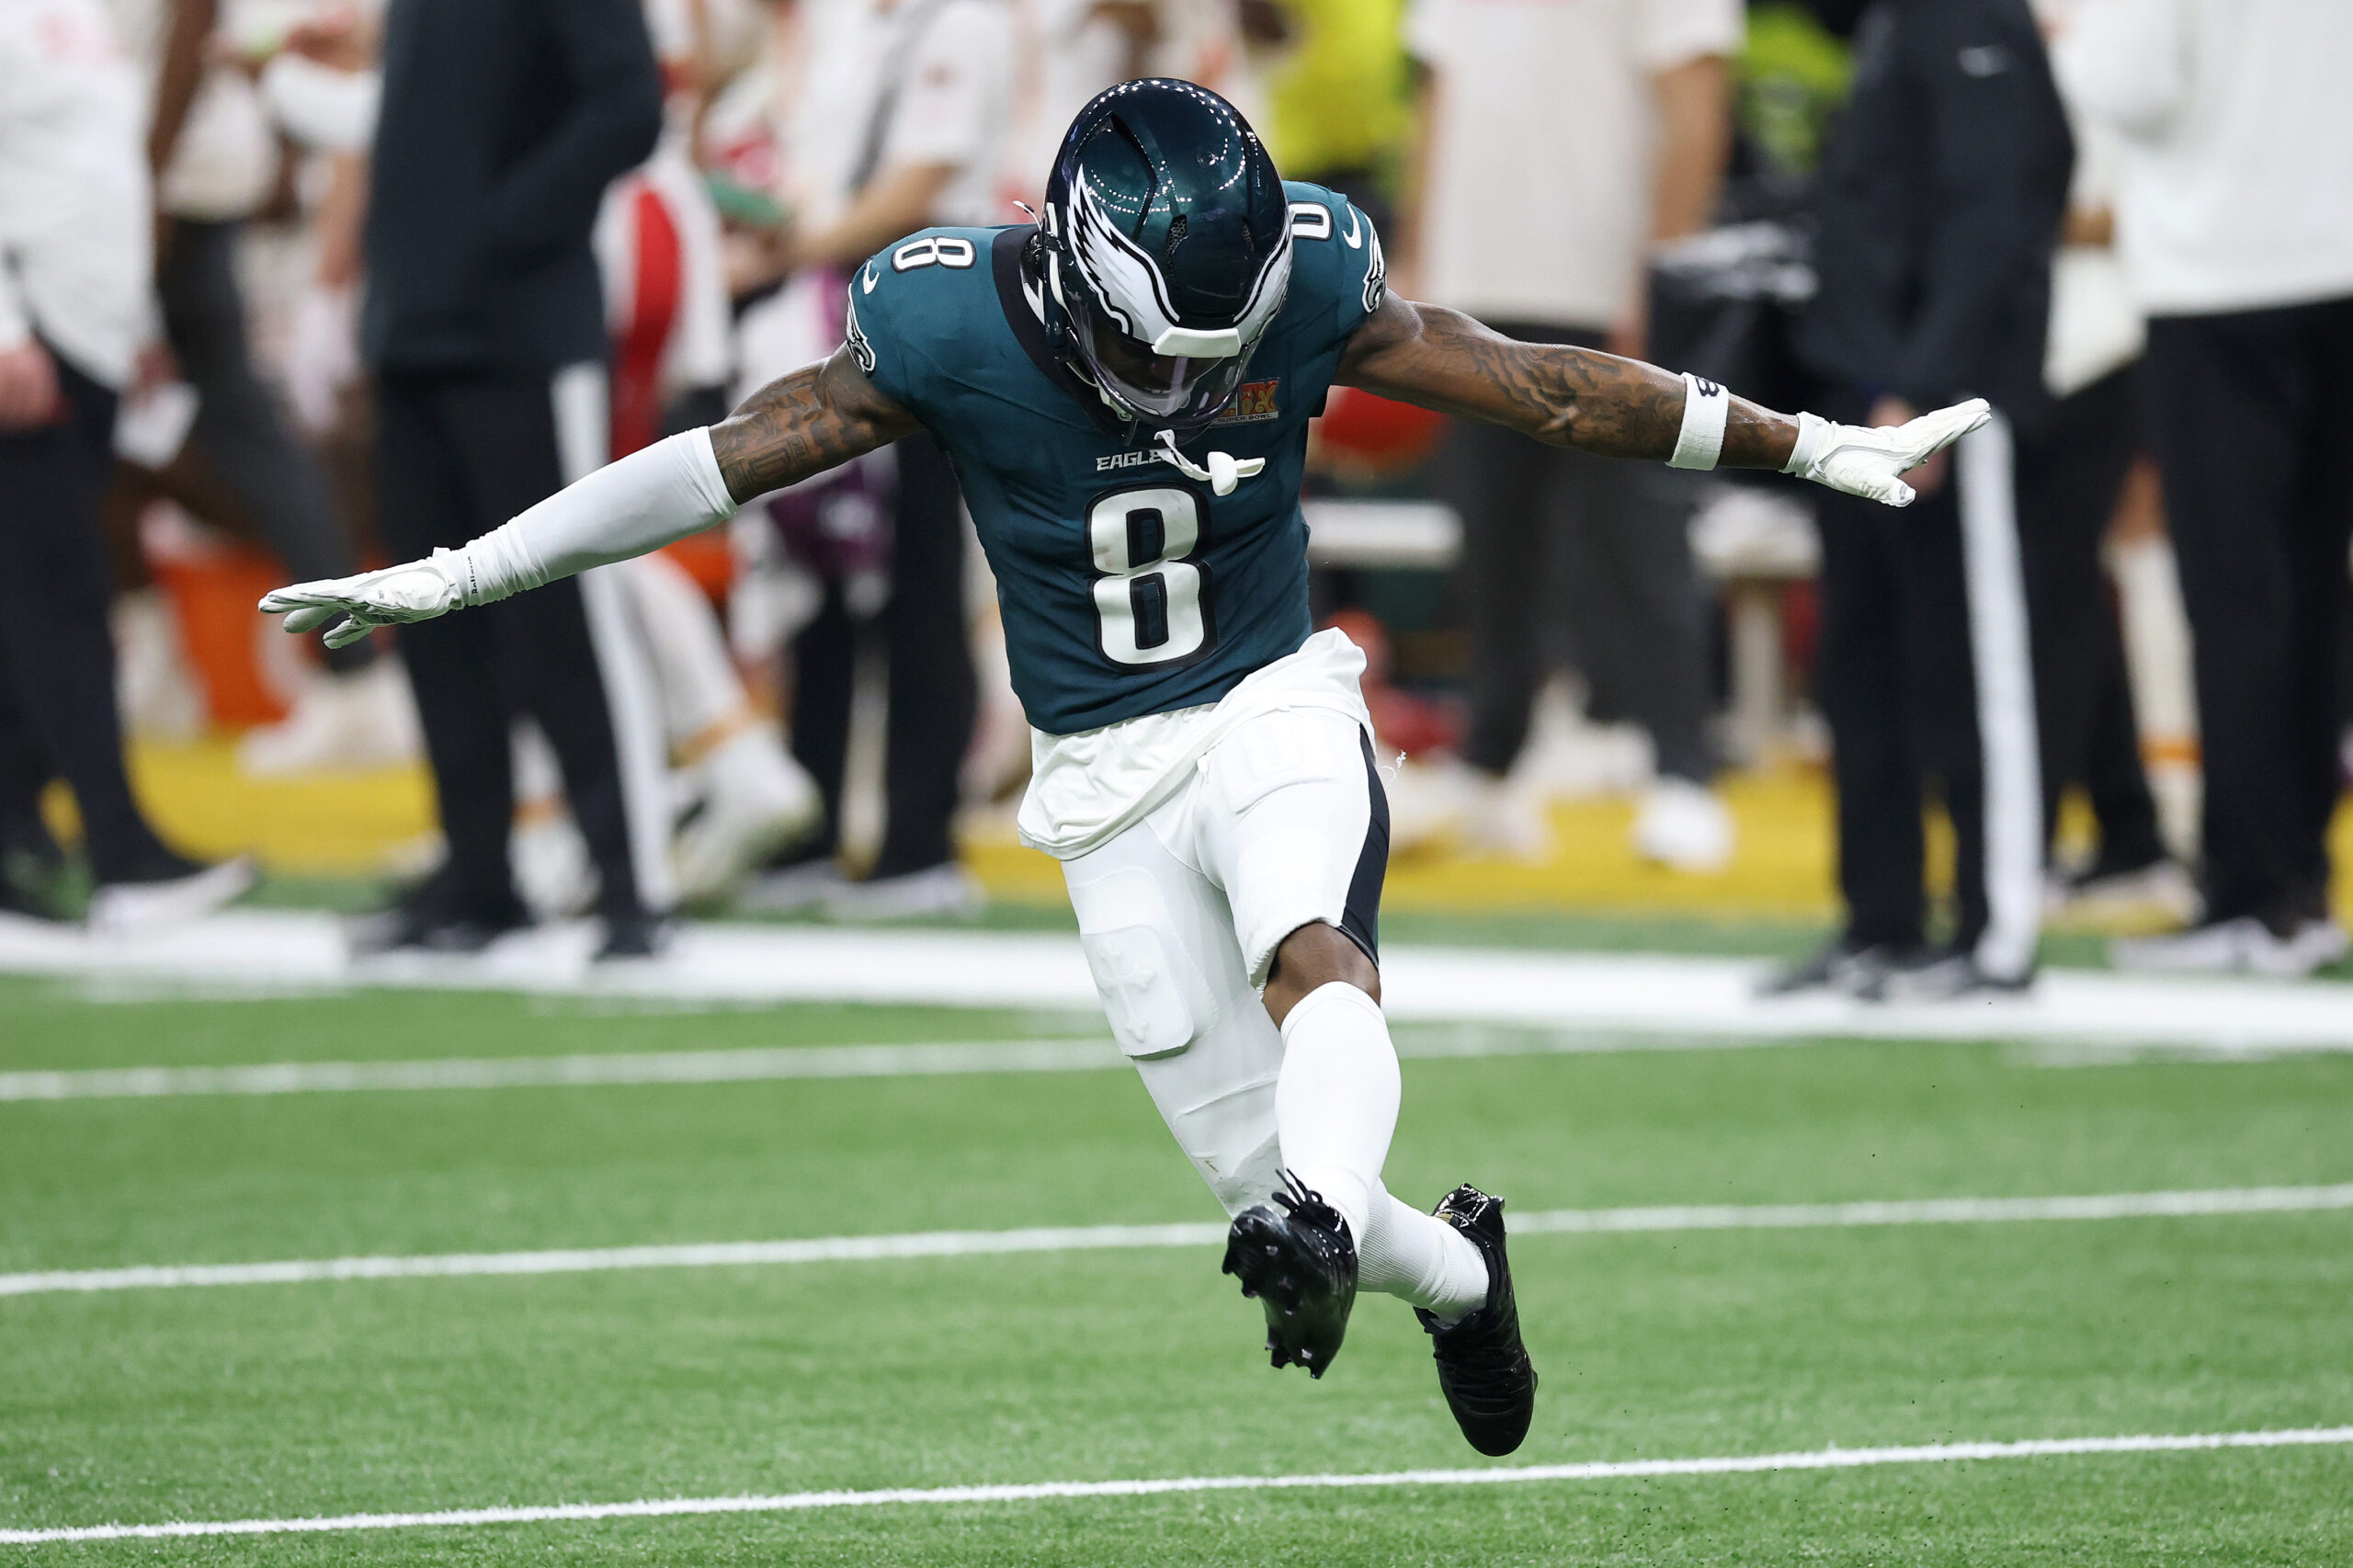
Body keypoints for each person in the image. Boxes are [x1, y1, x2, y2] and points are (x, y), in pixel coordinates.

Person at [261, 79, 1984, 1452]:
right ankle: (1461, 1277)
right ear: (1070, 264)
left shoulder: (1305, 277)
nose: (1179, 383)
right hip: (1098, 779)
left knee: (1316, 954)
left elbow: (1537, 384)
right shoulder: (942, 329)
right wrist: (462, 569)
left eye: (1211, 353)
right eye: (1151, 345)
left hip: (1271, 696)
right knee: (1287, 1207)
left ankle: (1334, 1208)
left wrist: (1814, 447)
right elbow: (717, 466)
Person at [1770, 0, 2072, 1000]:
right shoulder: (1894, 22)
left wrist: (1929, 388)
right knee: (1864, 665)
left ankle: (1995, 930)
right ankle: (1881, 918)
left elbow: (1997, 210)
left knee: (1969, 673)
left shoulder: (1974, 17)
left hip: (1938, 406)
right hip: (1858, 403)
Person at [1400, 0, 1745, 870]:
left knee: (1641, 541)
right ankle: (1492, 763)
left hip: (1604, 293)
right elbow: (1439, 95)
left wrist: (1667, 278)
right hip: (1471, 290)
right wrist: (1409, 268)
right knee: (1490, 542)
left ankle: (1684, 772)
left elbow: (1697, 97)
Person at [357, 0, 669, 957]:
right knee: (429, 617)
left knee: (560, 612)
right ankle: (479, 874)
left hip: (519, 333)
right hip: (411, 326)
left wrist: (501, 227)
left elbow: (628, 105)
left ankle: (627, 881)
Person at [2056, 0, 2353, 975]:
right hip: (2337, 260)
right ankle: (2299, 884)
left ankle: (2252, 889)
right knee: (2316, 586)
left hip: (2218, 270)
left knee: (2235, 591)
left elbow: (2122, 82)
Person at [731, 0, 1011, 918]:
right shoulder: (849, 24)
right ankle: (811, 823)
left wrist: (804, 241)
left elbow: (923, 179)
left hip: (929, 306)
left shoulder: (961, 23)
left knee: (921, 576)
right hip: (834, 312)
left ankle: (917, 840)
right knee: (815, 568)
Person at [0, 0, 254, 933]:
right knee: (62, 596)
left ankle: (13, 828)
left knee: (31, 601)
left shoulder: (79, 15)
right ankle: (122, 850)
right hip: (31, 338)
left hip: (89, 333)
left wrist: (134, 324)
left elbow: (96, 174)